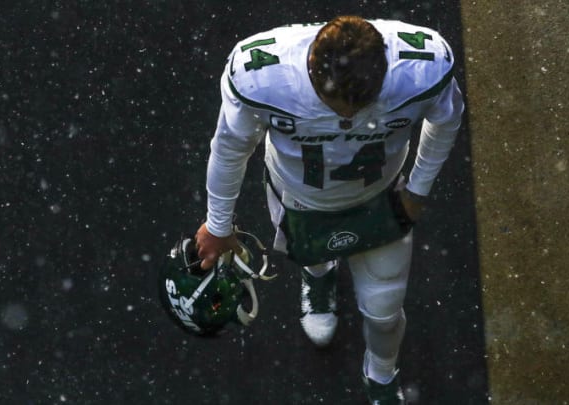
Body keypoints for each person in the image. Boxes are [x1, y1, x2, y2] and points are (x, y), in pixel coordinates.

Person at [194, 15, 464, 404]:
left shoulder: (420, 70)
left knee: (385, 309)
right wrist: (217, 224)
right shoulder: (265, 78)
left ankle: (382, 375)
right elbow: (230, 148)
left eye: (362, 104)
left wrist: (418, 189)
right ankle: (318, 277)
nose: (349, 117)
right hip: (300, 198)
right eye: (339, 105)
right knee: (313, 255)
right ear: (311, 74)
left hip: (381, 196)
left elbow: (447, 118)